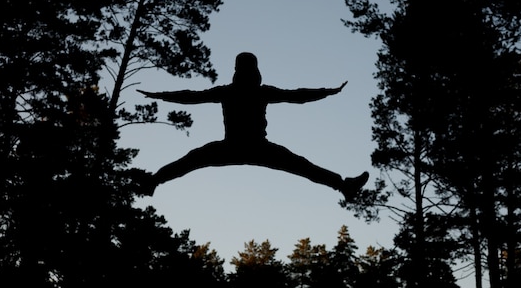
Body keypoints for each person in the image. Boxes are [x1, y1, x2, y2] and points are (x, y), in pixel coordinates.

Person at [137, 52, 369, 201]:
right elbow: (297, 96)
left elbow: (297, 96)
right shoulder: (255, 91)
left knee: (192, 159)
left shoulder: (233, 91)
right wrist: (160, 95)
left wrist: (328, 92)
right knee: (302, 166)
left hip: (237, 147)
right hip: (255, 147)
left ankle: (153, 181)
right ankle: (343, 186)